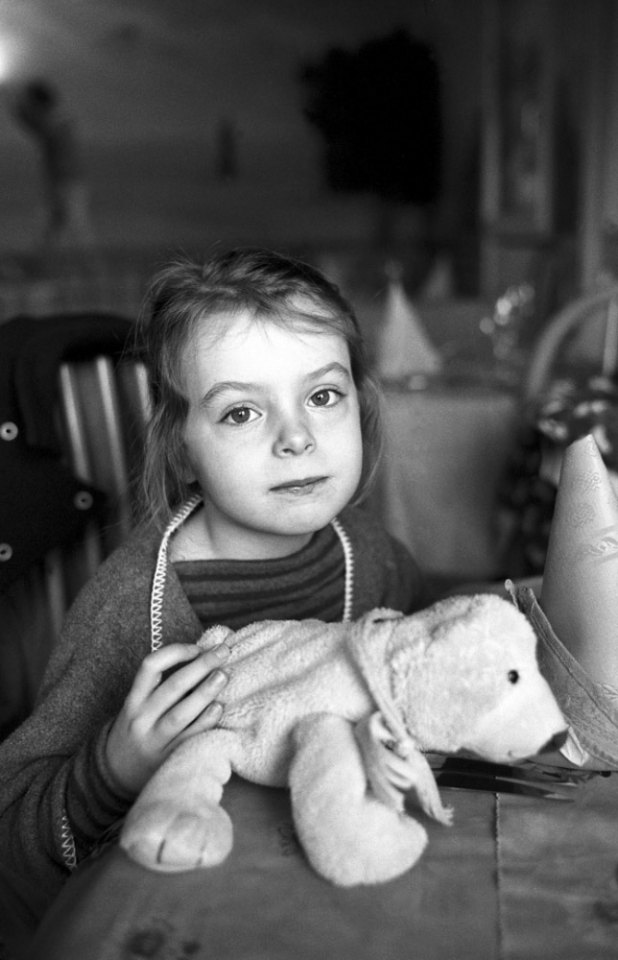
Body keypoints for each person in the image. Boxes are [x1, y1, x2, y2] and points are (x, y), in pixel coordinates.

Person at [0, 247, 426, 939]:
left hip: (340, 910)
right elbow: (11, 837)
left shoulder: (373, 558)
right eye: (240, 414)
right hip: (186, 924)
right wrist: (111, 769)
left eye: (323, 396)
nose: (297, 438)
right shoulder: (132, 608)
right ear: (180, 451)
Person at [11, 78, 95, 264]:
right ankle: (41, 264)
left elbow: (39, 127)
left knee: (75, 227)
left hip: (68, 183)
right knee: (50, 228)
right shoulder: (59, 119)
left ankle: (90, 269)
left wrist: (18, 104)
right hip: (62, 182)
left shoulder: (57, 121)